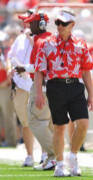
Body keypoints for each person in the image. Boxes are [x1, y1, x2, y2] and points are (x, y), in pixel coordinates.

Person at [34, 8, 93, 177]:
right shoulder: (46, 43)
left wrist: (92, 95)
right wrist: (39, 93)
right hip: (55, 87)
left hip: (75, 86)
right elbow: (39, 71)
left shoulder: (81, 44)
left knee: (83, 123)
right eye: (57, 22)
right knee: (59, 127)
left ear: (72, 25)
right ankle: (59, 165)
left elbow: (87, 70)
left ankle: (72, 157)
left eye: (64, 23)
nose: (59, 26)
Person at [15, 11, 56, 170]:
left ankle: (55, 155)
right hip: (53, 86)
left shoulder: (40, 41)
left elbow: (40, 68)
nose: (28, 25)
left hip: (42, 86)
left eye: (31, 22)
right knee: (51, 124)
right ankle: (53, 158)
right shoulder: (49, 38)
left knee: (34, 122)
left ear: (41, 25)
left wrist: (23, 68)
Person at [7, 9, 34, 167]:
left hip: (38, 86)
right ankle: (30, 155)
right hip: (21, 85)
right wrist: (11, 68)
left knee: (43, 123)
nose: (25, 23)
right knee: (25, 122)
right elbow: (11, 56)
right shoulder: (19, 39)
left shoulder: (42, 38)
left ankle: (47, 154)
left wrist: (32, 39)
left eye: (28, 20)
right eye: (24, 20)